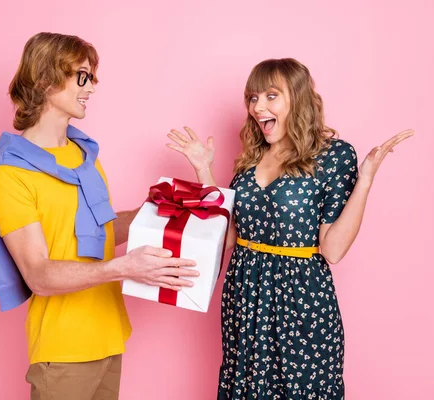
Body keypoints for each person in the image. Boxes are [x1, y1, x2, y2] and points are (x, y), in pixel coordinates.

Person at [166, 58, 414, 399]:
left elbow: (333, 249)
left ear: (296, 99)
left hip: (301, 301)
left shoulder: (333, 156)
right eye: (253, 98)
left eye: (271, 96)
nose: (258, 107)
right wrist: (204, 171)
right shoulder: (251, 158)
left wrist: (366, 178)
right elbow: (227, 238)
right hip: (245, 297)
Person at [0, 32, 198, 400]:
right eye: (82, 76)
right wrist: (125, 268)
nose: (91, 88)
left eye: (92, 77)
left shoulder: (84, 156)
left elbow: (100, 231)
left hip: (109, 337)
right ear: (47, 79)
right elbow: (39, 274)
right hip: (63, 352)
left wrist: (158, 210)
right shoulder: (9, 174)